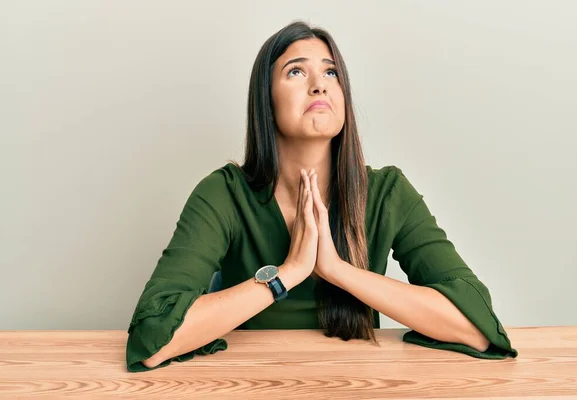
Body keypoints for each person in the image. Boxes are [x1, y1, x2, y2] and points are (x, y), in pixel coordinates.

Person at [125, 20, 518, 372]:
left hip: (357, 384)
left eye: (331, 72)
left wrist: (338, 271)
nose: (320, 84)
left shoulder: (388, 193)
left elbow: (477, 328)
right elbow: (154, 338)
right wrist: (288, 274)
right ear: (265, 99)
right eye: (296, 71)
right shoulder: (223, 194)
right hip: (249, 384)